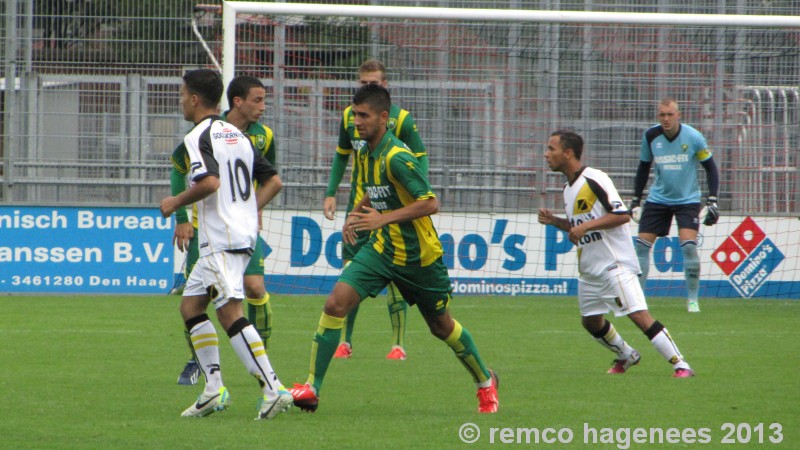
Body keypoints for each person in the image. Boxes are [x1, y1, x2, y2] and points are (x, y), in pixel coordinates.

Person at [290, 84, 499, 413]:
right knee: (335, 303)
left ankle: (486, 382)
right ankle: (311, 388)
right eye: (354, 114)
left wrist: (382, 218)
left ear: (383, 118)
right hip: (381, 251)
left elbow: (430, 203)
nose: (357, 122)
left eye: (364, 115)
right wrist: (357, 213)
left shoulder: (398, 156)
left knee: (441, 326)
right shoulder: (365, 151)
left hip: (420, 257)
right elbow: (375, 187)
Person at [160, 69, 292, 419]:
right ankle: (213, 389)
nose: (180, 100)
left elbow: (210, 183)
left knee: (230, 312)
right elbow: (274, 181)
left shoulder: (197, 136)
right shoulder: (237, 135)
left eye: (181, 93)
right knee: (190, 308)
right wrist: (247, 212)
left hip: (222, 238)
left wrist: (176, 203)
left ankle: (273, 387)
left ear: (193, 98)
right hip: (234, 235)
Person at [538, 130, 695, 378]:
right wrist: (556, 221)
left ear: (568, 153)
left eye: (551, 149)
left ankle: (681, 364)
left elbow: (622, 215)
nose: (546, 154)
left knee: (638, 315)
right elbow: (579, 227)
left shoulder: (595, 179)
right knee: (590, 322)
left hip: (614, 265)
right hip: (590, 270)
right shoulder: (568, 189)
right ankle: (627, 354)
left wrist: (585, 226)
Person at [323, 59, 428, 361]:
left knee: (395, 276)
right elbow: (341, 156)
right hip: (359, 209)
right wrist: (331, 193)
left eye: (376, 83)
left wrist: (418, 194)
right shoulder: (350, 118)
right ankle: (345, 341)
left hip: (390, 209)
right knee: (349, 275)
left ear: (385, 86)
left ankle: (397, 344)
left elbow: (420, 158)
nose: (369, 87)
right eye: (364, 83)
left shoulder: (402, 120)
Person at [630, 98, 720, 313]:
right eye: (662, 115)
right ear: (658, 116)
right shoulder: (651, 136)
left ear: (678, 115)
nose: (666, 119)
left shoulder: (694, 137)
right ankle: (639, 300)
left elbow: (711, 168)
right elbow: (643, 168)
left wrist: (713, 200)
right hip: (658, 199)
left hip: (687, 200)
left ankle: (692, 299)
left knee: (689, 247)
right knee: (641, 247)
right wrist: (635, 200)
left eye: (670, 115)